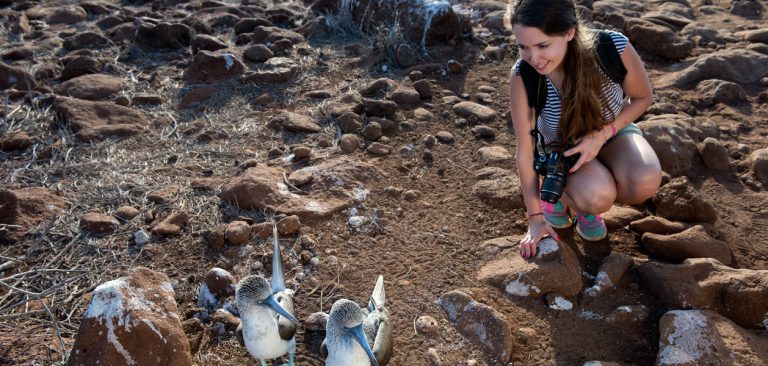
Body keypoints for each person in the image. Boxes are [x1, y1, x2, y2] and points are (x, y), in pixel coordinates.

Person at [506, 0, 662, 258]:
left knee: (644, 180)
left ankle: (588, 183)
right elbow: (525, 151)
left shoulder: (612, 47)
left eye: (543, 45)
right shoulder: (524, 75)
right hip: (561, 150)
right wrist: (534, 218)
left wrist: (600, 136)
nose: (534, 58)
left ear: (570, 32)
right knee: (597, 196)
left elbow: (642, 97)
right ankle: (560, 198)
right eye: (523, 47)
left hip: (611, 132)